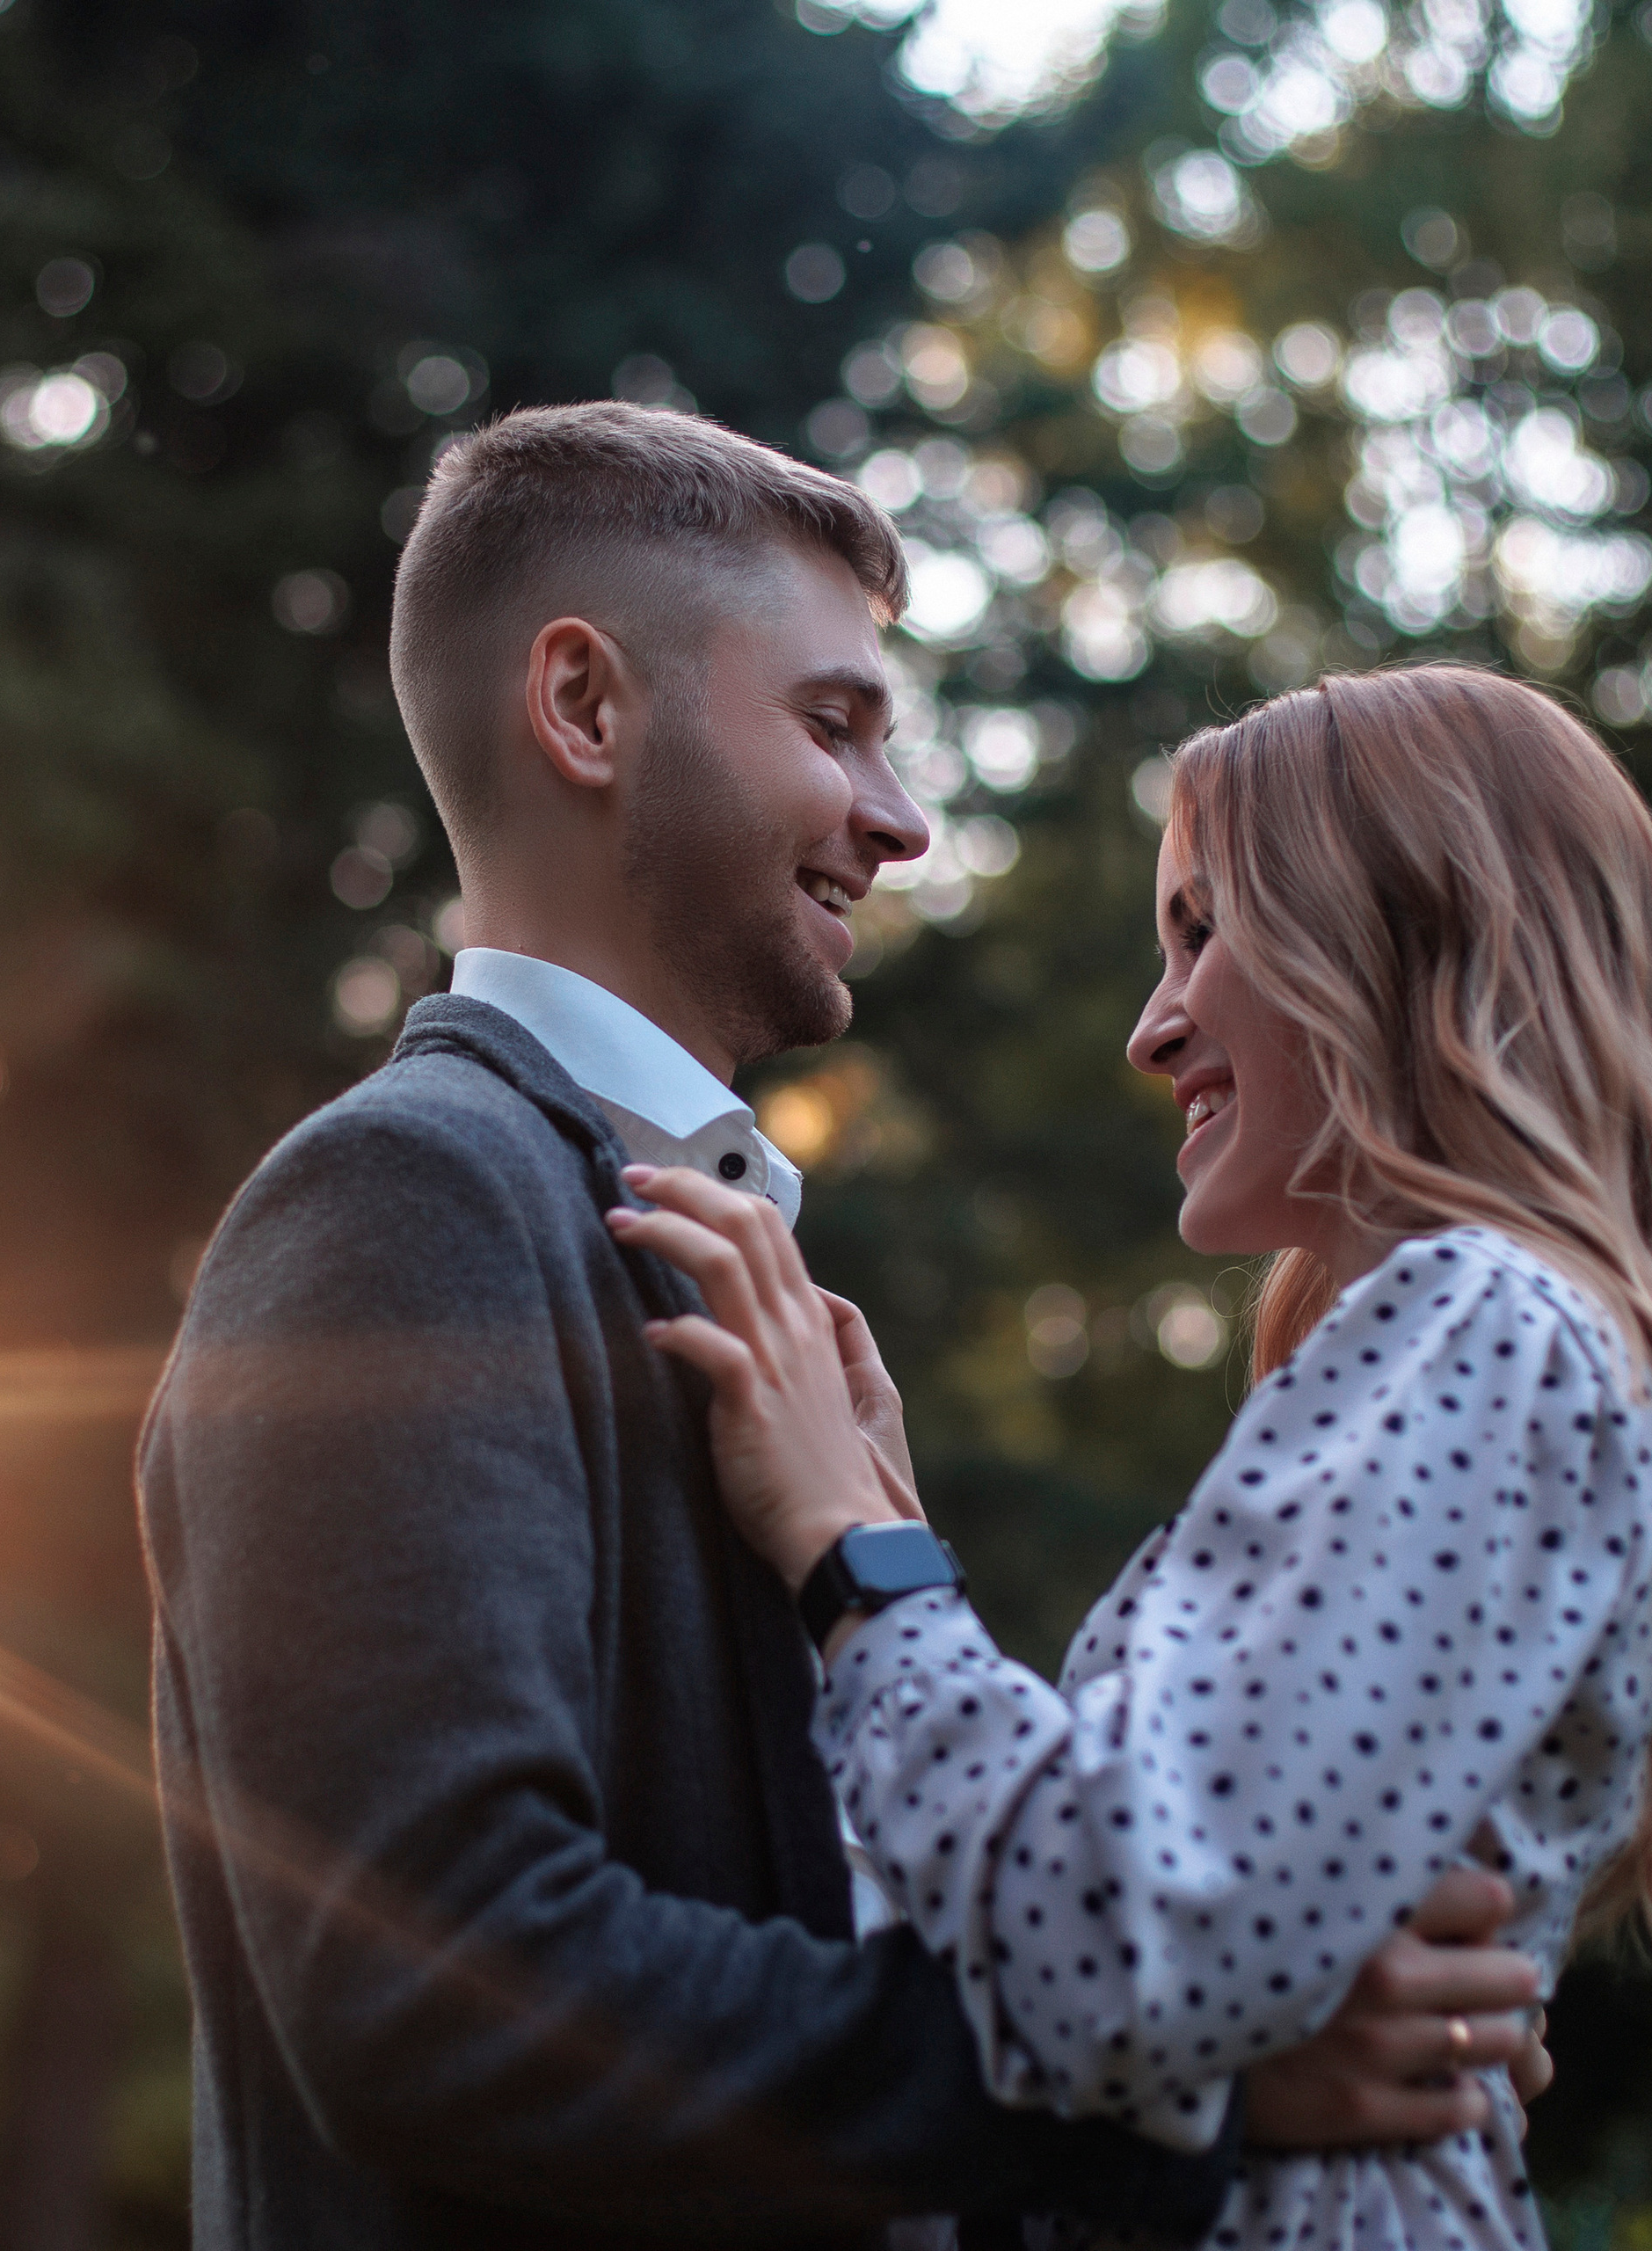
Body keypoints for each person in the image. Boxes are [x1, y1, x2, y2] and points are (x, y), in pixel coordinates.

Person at [138, 412, 1552, 2251]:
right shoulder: (407, 1204)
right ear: (583, 707)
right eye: (834, 725)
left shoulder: (716, 1261)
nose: (900, 819)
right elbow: (435, 1984)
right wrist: (1157, 2080)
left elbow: (828, 1946)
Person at [615, 664, 1652, 2251]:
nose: (1153, 1029)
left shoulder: (1483, 1326)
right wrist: (888, 1517)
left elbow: (1113, 1951)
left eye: (1206, 933)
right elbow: (1141, 1909)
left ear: (1411, 934)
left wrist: (851, 1551)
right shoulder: (1469, 1350)